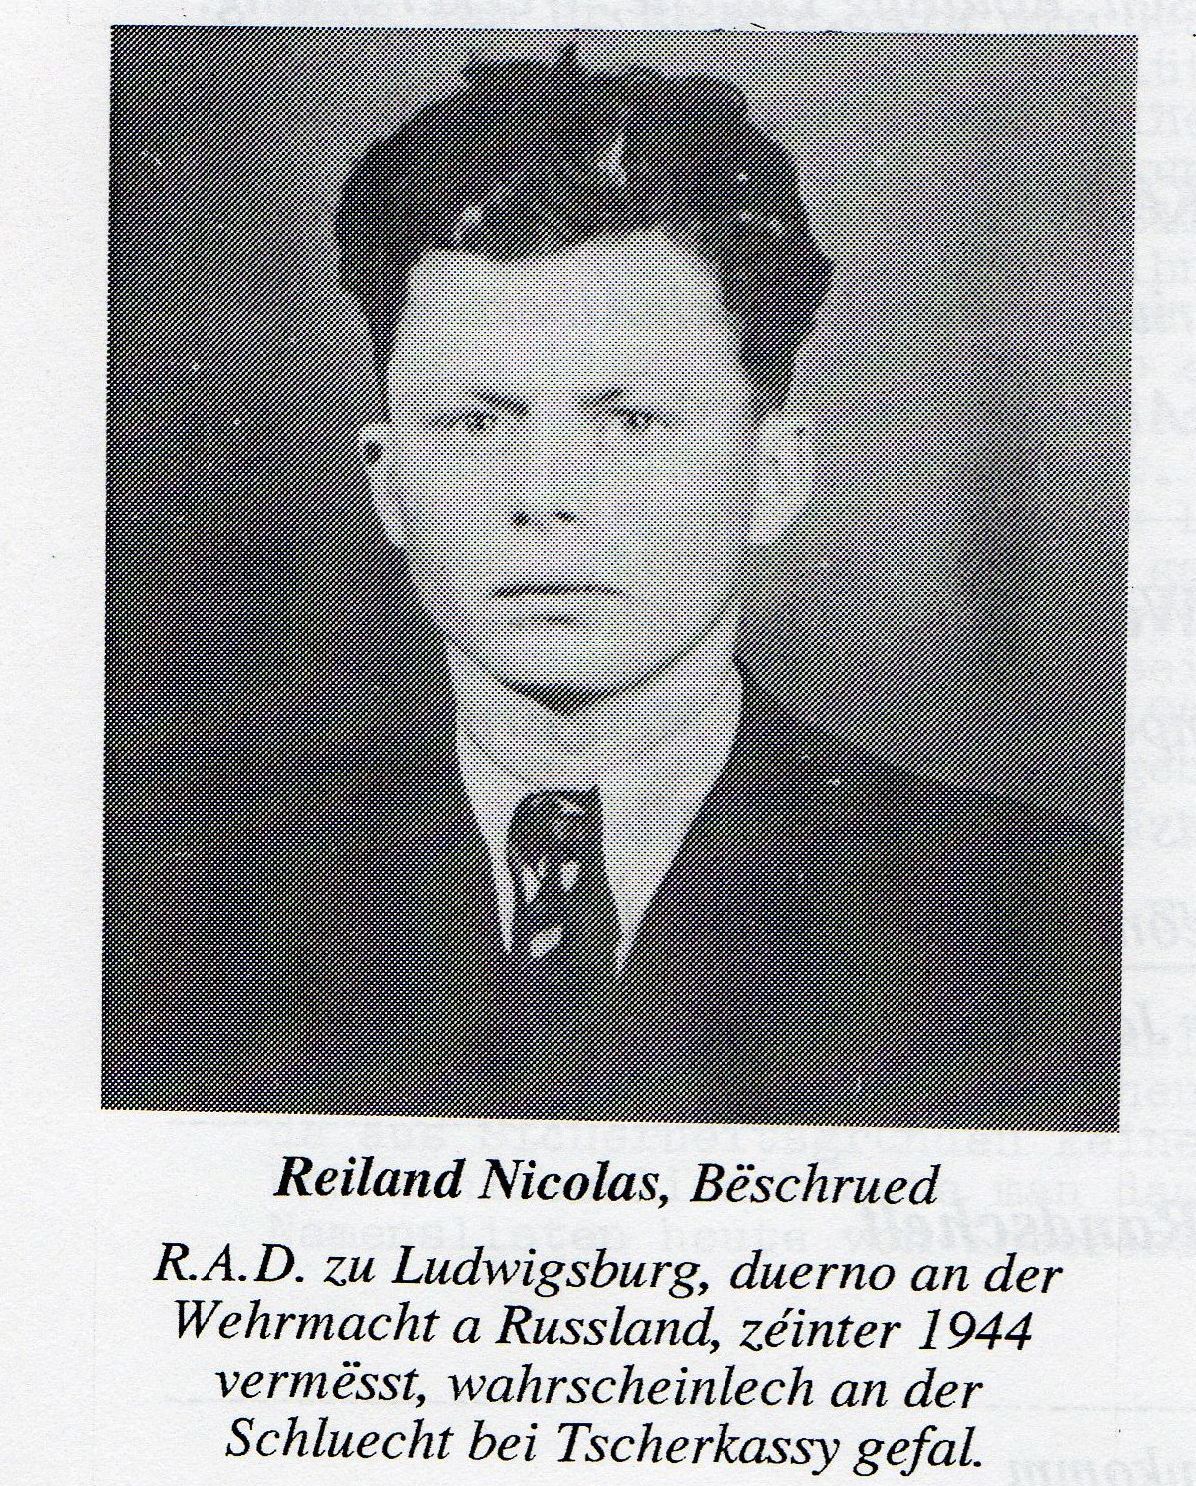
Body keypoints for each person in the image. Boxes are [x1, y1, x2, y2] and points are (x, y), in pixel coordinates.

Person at [103, 46, 1120, 1129]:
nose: (545, 497)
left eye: (630, 421)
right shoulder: (183, 903)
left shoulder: (1027, 913)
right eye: (475, 422)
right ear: (390, 484)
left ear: (773, 476)